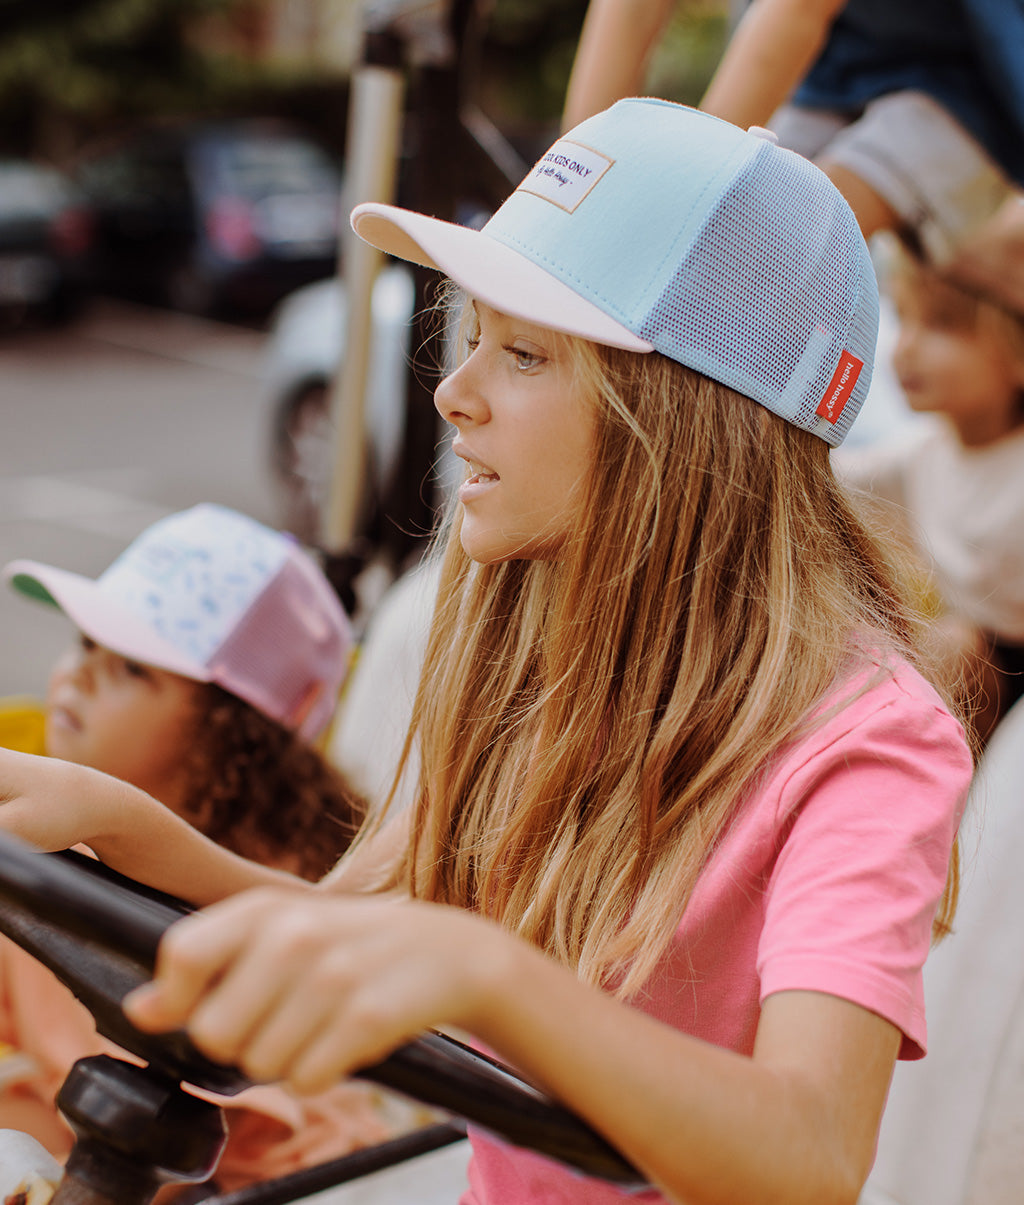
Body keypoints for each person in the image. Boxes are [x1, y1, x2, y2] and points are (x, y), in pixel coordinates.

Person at [0, 102, 973, 1205]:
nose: (453, 395)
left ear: (686, 421)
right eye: (476, 343)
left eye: (523, 355)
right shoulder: (543, 661)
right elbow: (356, 926)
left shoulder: (869, 743)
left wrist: (493, 973)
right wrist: (114, 819)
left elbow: (810, 1154)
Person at [0, 504, 408, 1192]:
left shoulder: (257, 899)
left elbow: (187, 1150)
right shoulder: (53, 825)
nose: (79, 675)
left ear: (233, 734)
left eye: (131, 666)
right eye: (85, 642)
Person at [562, 0, 1024, 313]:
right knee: (722, 231)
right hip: (840, 60)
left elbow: (800, 10)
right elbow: (628, 12)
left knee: (769, 241)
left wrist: (688, 203)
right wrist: (572, 187)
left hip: (978, 77)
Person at [834, 237, 1024, 744]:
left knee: (947, 646)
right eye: (903, 318)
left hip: (999, 667)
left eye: (940, 325)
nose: (906, 348)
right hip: (979, 669)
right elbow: (833, 481)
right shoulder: (925, 455)